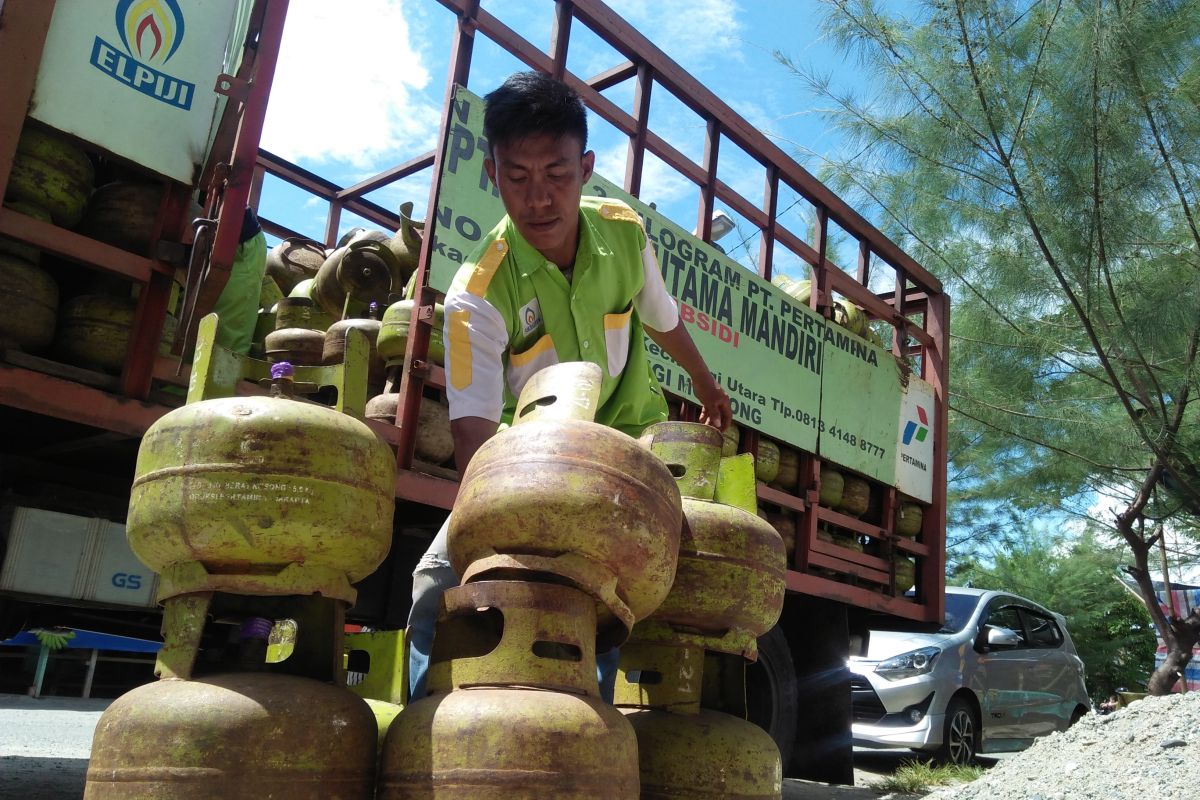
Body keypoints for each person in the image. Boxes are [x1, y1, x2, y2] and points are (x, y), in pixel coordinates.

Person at [406, 71, 732, 701]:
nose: (539, 199)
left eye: (556, 174)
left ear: (585, 168)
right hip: (526, 467)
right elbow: (475, 437)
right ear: (492, 177)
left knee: (604, 606)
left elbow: (662, 317)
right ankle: (431, 733)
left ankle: (587, 731)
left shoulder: (624, 233)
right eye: (518, 178)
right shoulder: (475, 296)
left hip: (627, 457)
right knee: (435, 587)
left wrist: (705, 383)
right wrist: (523, 523)